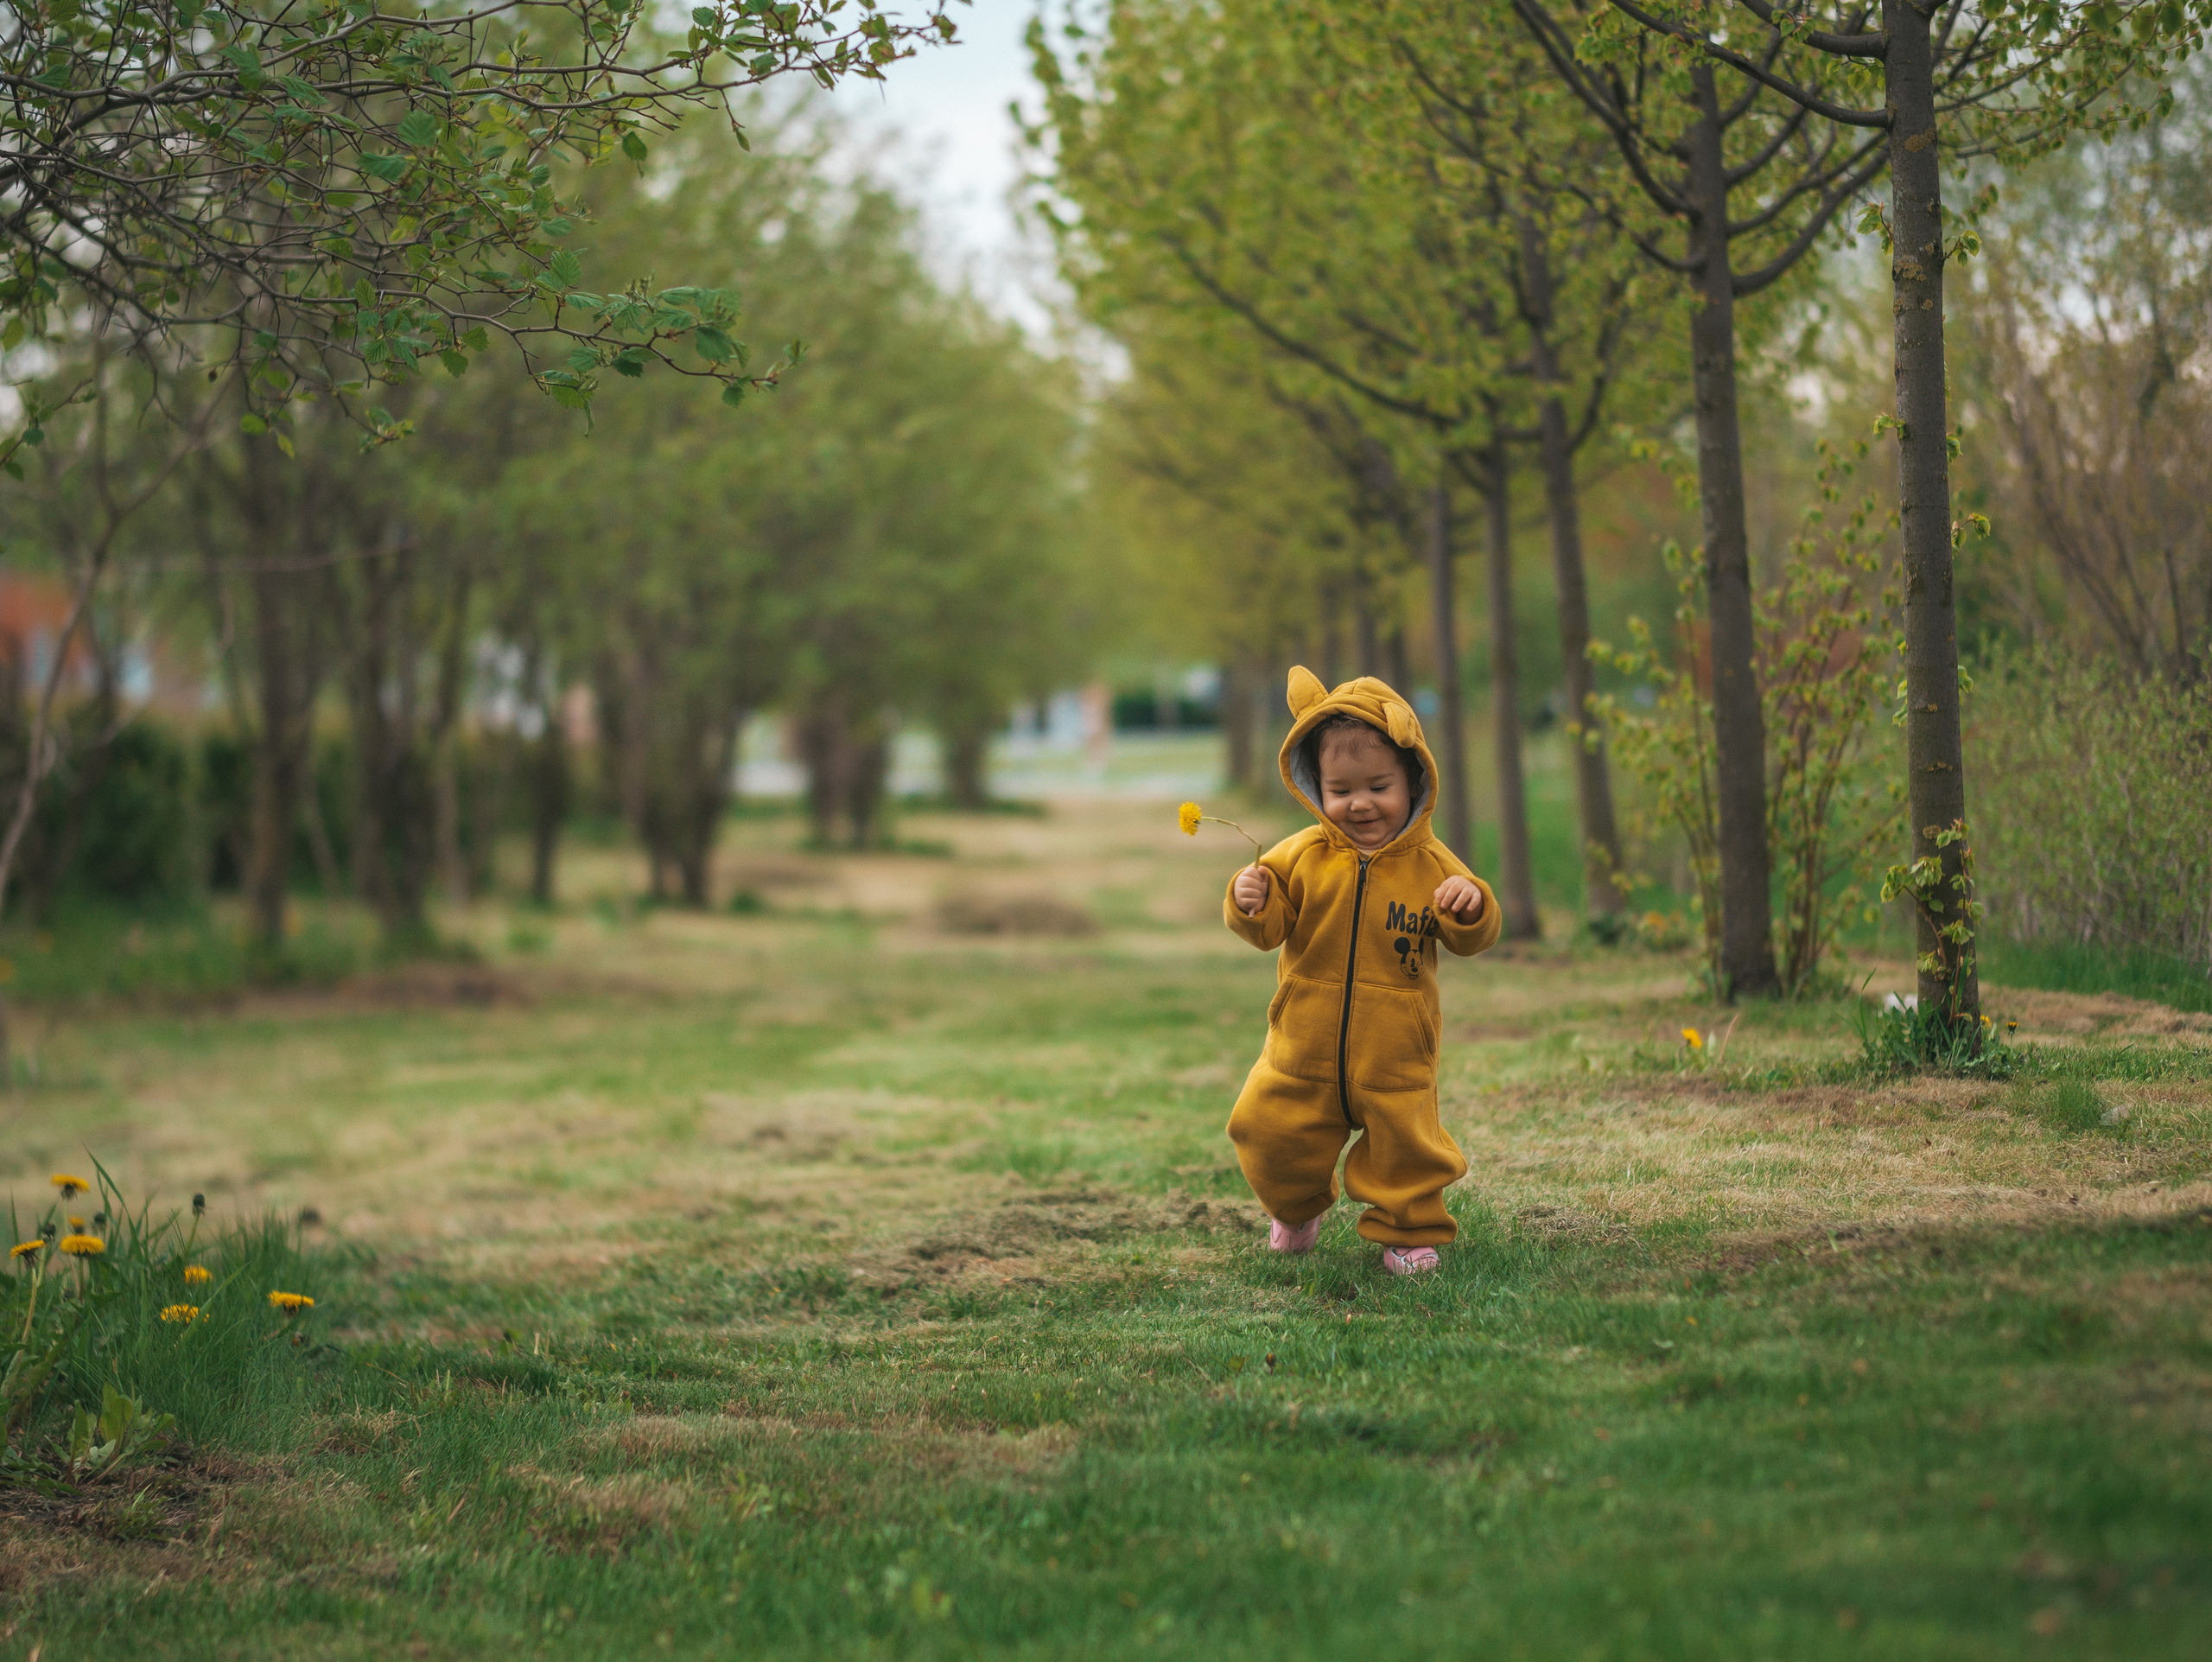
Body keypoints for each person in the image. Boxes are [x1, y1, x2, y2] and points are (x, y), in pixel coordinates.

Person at [1224, 668, 1500, 1276]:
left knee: (1407, 1148)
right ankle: (1294, 1209)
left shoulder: (1431, 863)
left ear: (1413, 781)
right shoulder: (1298, 855)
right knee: (1268, 1130)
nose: (1361, 804)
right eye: (1341, 789)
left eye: (1379, 785)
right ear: (1314, 787)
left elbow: (1472, 931)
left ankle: (1406, 1233)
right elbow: (1267, 925)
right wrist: (1251, 900)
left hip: (1394, 1048)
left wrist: (1470, 903)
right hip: (1303, 1043)